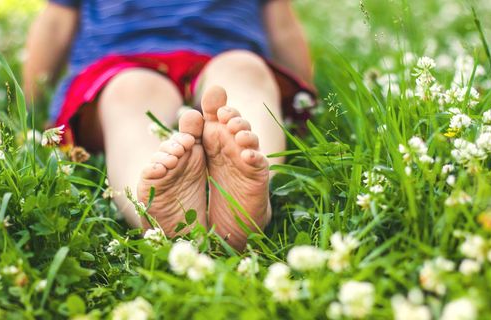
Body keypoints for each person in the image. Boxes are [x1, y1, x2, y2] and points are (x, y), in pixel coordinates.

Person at [23, 0, 316, 250]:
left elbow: (281, 22)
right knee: (131, 93)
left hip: (223, 56)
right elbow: (56, 23)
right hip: (119, 64)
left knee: (243, 71)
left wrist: (304, 96)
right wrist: (30, 105)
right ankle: (155, 208)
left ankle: (251, 196)